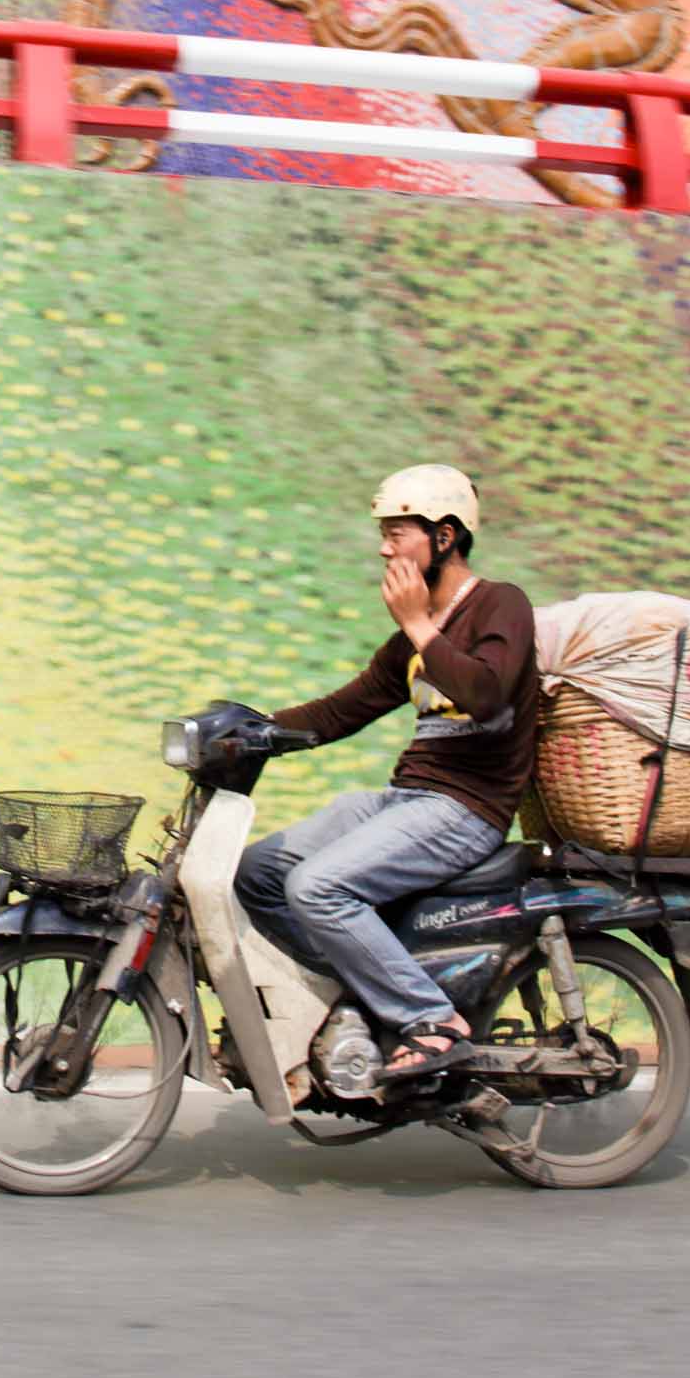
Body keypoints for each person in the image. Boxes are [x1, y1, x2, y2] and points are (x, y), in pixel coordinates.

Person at [233, 464, 540, 1082]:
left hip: (466, 809)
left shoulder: (499, 605)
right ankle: (371, 994)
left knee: (318, 888)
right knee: (259, 872)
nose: (384, 547)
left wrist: (420, 624)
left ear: (445, 537)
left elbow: (488, 695)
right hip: (407, 800)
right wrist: (254, 733)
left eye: (398, 533)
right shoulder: (412, 639)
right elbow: (344, 709)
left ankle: (432, 1020)